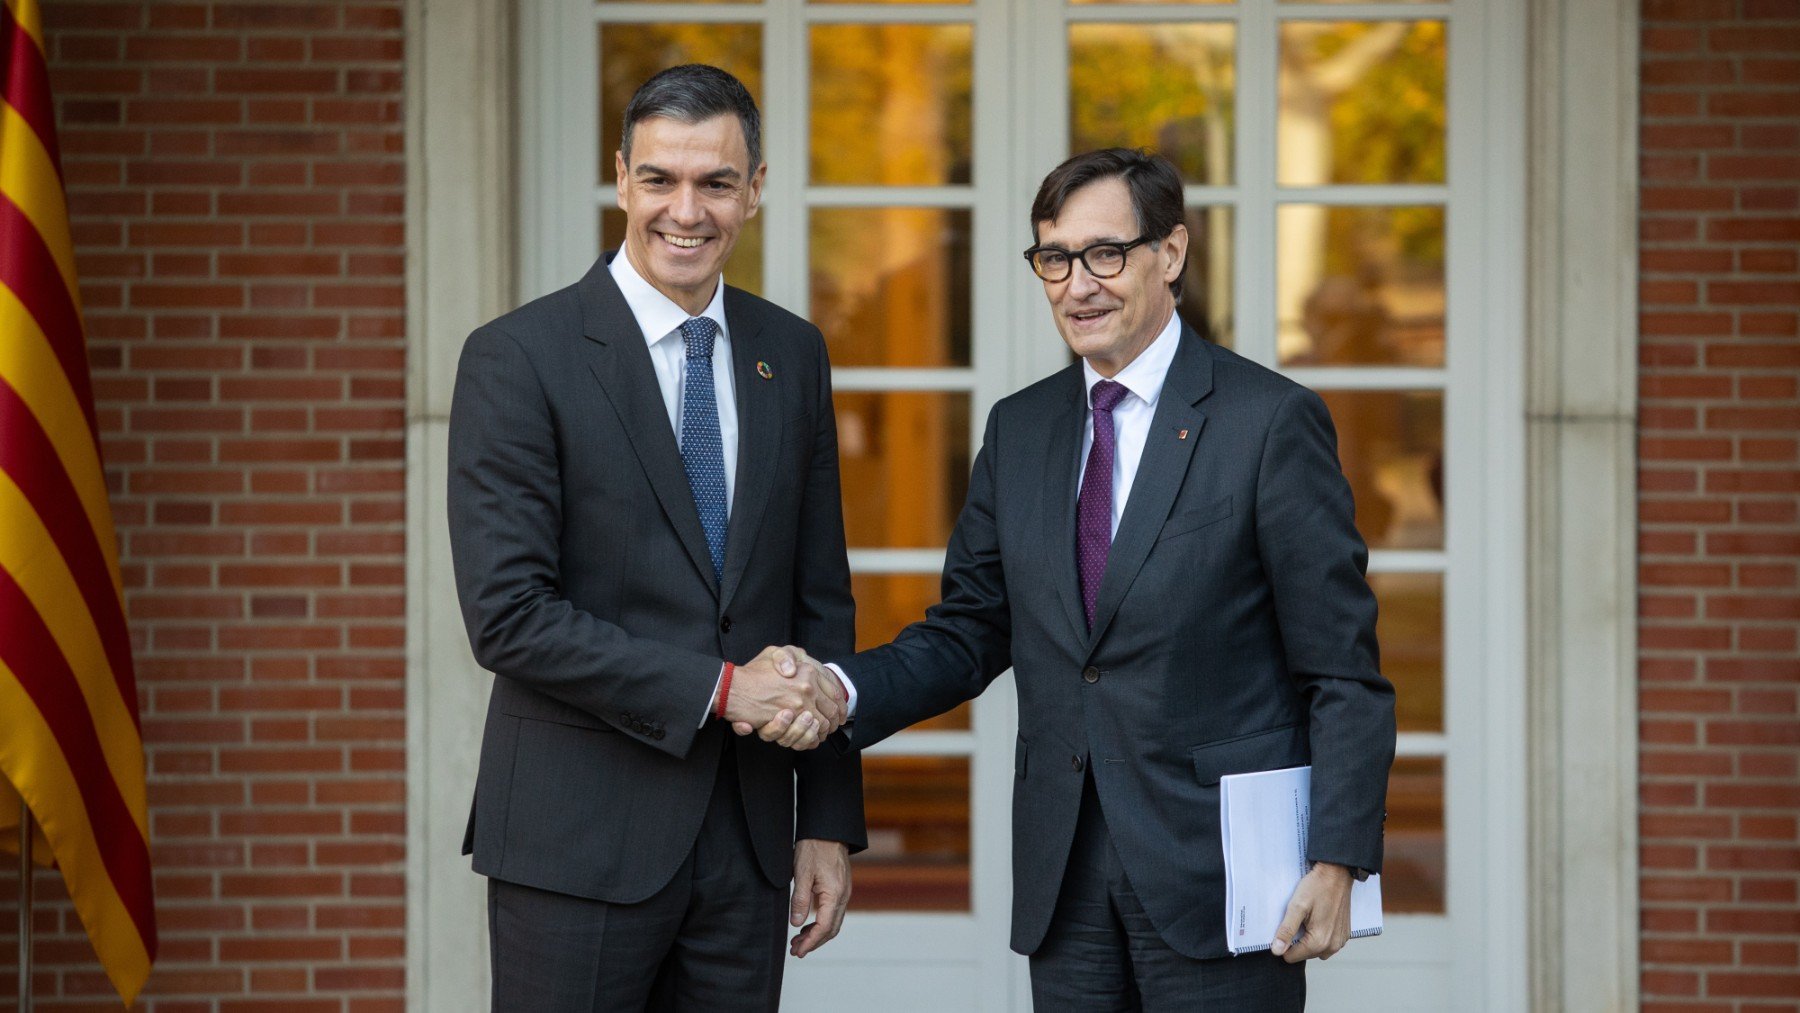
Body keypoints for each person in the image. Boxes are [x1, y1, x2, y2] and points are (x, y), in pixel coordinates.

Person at [749, 148, 1395, 1010]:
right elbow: (969, 629)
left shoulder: (1269, 422)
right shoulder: (1020, 431)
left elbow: (1342, 668)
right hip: (1067, 881)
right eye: (1054, 258)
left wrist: (1338, 855)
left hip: (1226, 880)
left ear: (1171, 253)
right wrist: (835, 685)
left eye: (1105, 253)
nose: (1077, 284)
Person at [447, 64, 863, 1011]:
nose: (688, 209)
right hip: (576, 839)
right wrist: (725, 689)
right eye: (661, 180)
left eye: (716, 182)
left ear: (755, 189)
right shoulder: (519, 357)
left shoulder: (790, 352)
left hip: (748, 841)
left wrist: (827, 820)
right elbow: (508, 616)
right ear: (622, 177)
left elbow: (819, 597)